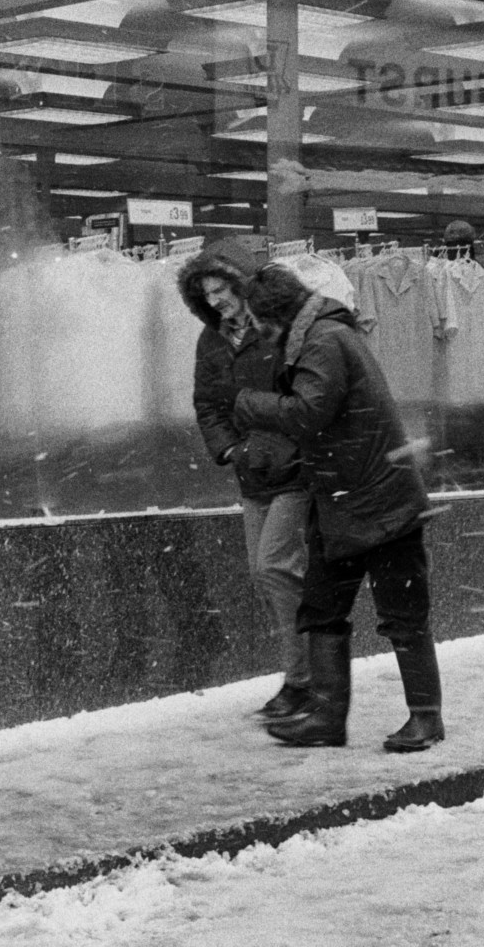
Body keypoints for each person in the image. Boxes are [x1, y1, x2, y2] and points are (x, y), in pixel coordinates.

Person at [211, 262, 444, 753]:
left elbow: (309, 412)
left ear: (273, 314)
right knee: (321, 609)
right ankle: (327, 717)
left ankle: (426, 718)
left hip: (381, 502)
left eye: (257, 320)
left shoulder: (323, 341)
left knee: (402, 615)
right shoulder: (311, 338)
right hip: (341, 499)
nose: (255, 330)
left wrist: (249, 404)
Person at [177, 239, 313, 722]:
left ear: (240, 283)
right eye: (206, 294)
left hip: (297, 469)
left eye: (221, 289)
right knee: (267, 573)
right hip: (252, 470)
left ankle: (306, 679)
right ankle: (307, 671)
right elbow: (208, 403)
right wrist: (232, 449)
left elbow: (307, 394)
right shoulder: (211, 339)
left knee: (276, 567)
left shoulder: (276, 326)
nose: (216, 300)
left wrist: (278, 444)